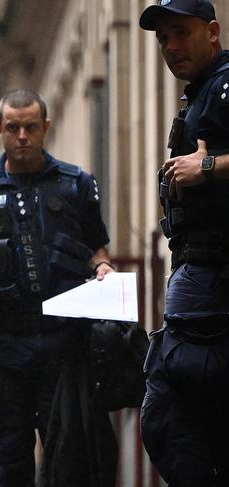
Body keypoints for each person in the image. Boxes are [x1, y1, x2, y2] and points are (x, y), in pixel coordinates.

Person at [0, 89, 116, 486]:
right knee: (13, 462)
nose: (21, 136)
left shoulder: (76, 184)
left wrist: (102, 266)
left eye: (30, 127)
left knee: (69, 458)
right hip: (7, 348)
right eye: (12, 127)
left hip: (66, 344)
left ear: (45, 127)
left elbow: (96, 244)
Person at [139, 1, 229, 485]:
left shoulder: (226, 85)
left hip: (213, 285)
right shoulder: (202, 95)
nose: (171, 47)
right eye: (162, 39)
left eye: (181, 33)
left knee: (169, 415)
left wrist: (209, 166)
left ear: (212, 32)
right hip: (201, 283)